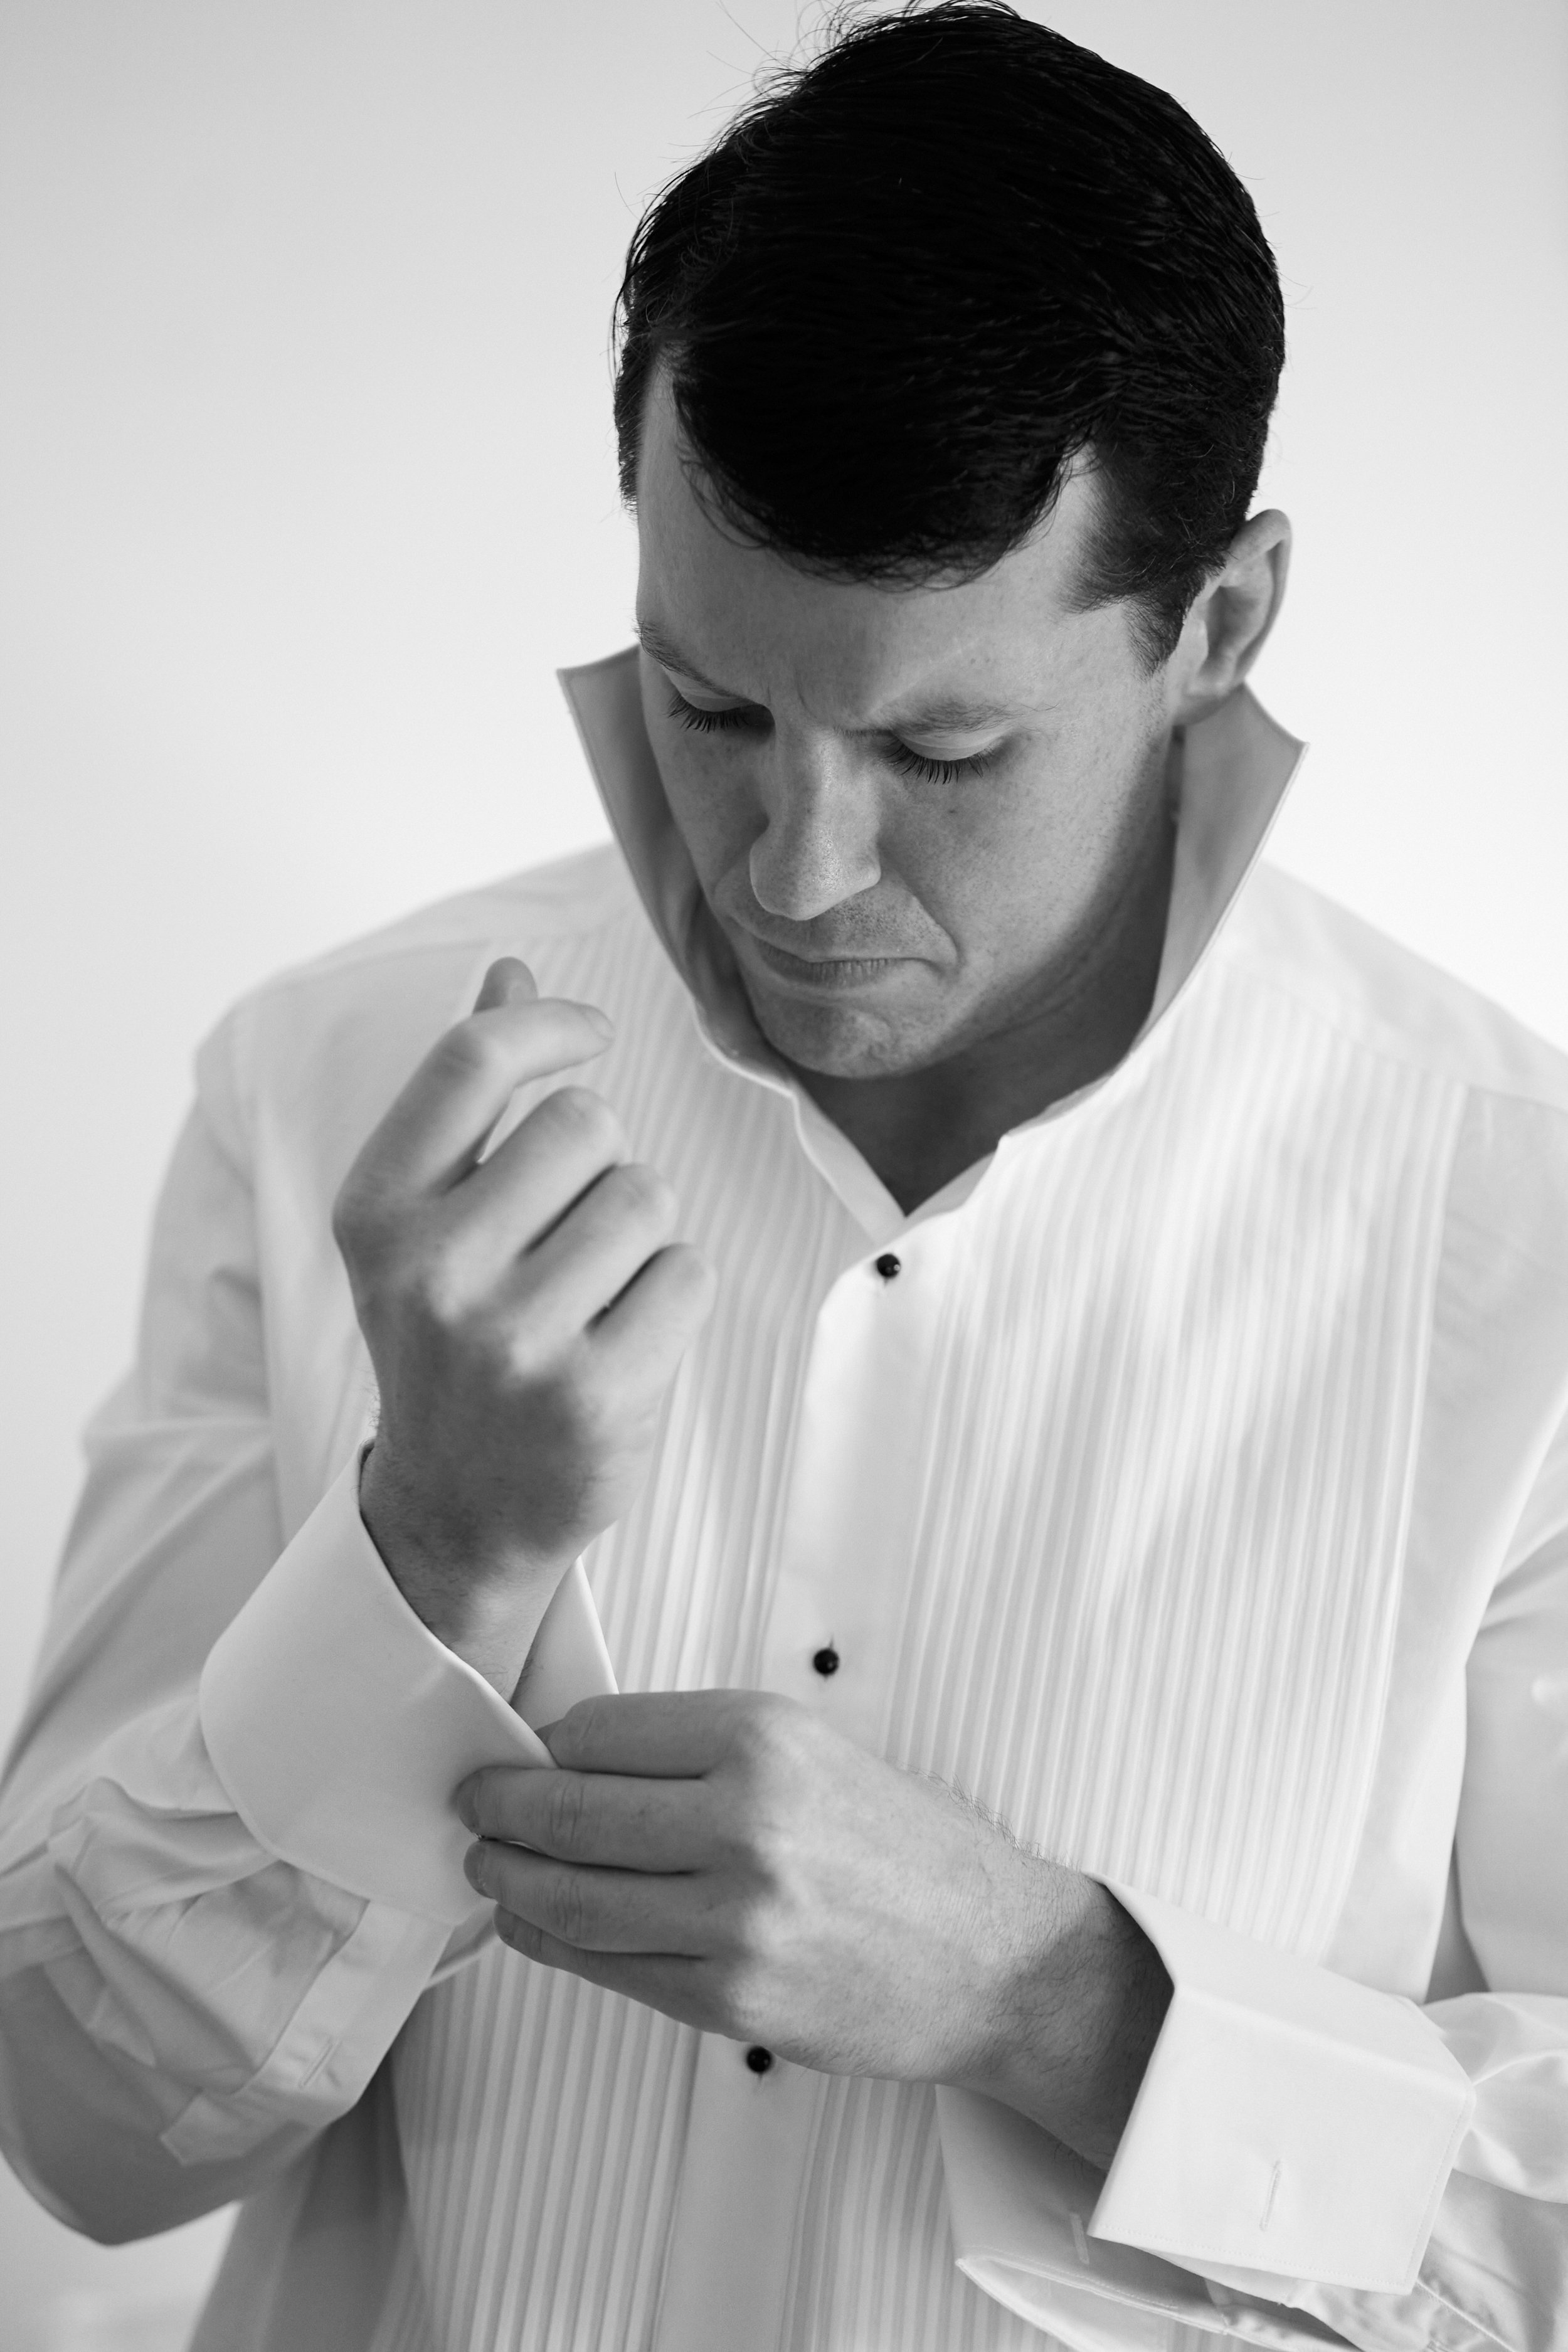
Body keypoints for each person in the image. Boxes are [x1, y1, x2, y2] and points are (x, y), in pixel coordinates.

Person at [3, 4, 1566, 2346]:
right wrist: (424, 1548)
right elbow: (69, 2128)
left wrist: (1064, 2006)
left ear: (1215, 626)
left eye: (939, 744)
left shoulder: (1524, 1248)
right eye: (707, 705)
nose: (795, 867)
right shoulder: (327, 1082)